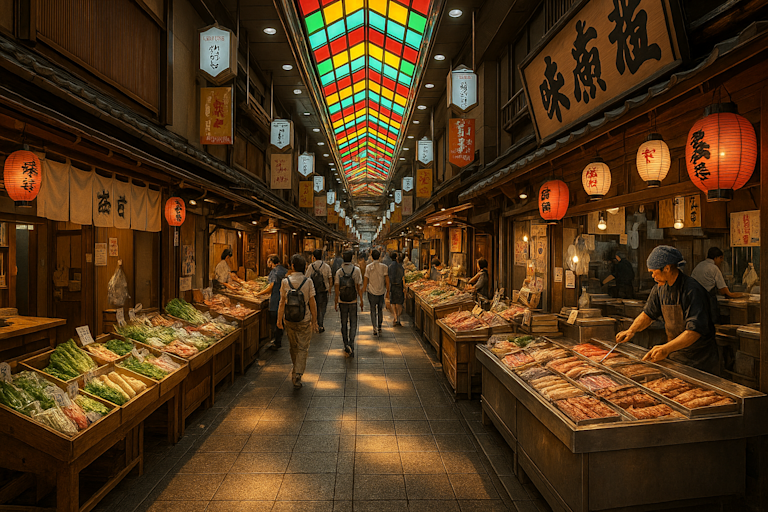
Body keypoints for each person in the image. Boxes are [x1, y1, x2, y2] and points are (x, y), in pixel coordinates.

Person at [616, 245, 719, 375]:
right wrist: (631, 330)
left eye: (654, 272)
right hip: (676, 354)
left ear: (667, 268)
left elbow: (693, 332)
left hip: (700, 359)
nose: (653, 276)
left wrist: (665, 349)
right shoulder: (660, 288)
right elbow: (648, 314)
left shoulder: (692, 290)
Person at [277, 254, 319, 388]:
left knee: (293, 347)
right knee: (302, 348)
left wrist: (279, 319)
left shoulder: (285, 282)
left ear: (292, 266)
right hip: (304, 320)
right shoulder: (308, 282)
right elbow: (312, 302)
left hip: (289, 319)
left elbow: (282, 302)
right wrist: (314, 320)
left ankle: (296, 368)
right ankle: (297, 374)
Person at [335, 250, 363, 357]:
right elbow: (358, 287)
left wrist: (335, 301)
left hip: (342, 301)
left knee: (343, 322)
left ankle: (345, 344)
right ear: (351, 258)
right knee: (353, 322)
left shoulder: (339, 272)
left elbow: (336, 287)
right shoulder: (356, 270)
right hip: (353, 301)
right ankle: (351, 342)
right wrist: (361, 300)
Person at [257, 255, 287, 350]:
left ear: (271, 262)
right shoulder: (284, 270)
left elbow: (271, 287)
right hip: (283, 297)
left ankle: (276, 342)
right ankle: (278, 339)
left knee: (275, 320)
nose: (267, 264)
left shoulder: (274, 272)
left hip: (275, 299)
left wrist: (259, 293)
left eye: (268, 261)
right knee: (280, 318)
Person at [363, 249, 390, 336]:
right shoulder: (384, 267)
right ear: (379, 256)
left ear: (371, 257)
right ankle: (379, 326)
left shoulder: (368, 267)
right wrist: (388, 291)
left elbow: (366, 280)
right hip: (381, 291)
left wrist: (363, 290)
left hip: (371, 292)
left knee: (373, 310)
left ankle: (374, 327)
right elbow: (387, 280)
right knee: (380, 310)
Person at [305, 249, 332, 333]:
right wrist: (330, 288)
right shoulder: (326, 266)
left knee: (313, 307)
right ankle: (320, 324)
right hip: (323, 290)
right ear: (322, 256)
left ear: (313, 257)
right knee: (322, 308)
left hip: (313, 291)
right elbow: (330, 278)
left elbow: (306, 278)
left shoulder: (310, 266)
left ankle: (314, 322)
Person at [388, 252, 406, 326]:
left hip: (392, 286)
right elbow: (403, 277)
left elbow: (388, 278)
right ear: (396, 257)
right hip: (399, 286)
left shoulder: (389, 266)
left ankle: (395, 317)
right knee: (399, 303)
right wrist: (404, 287)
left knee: (393, 302)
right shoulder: (400, 266)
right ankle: (398, 318)